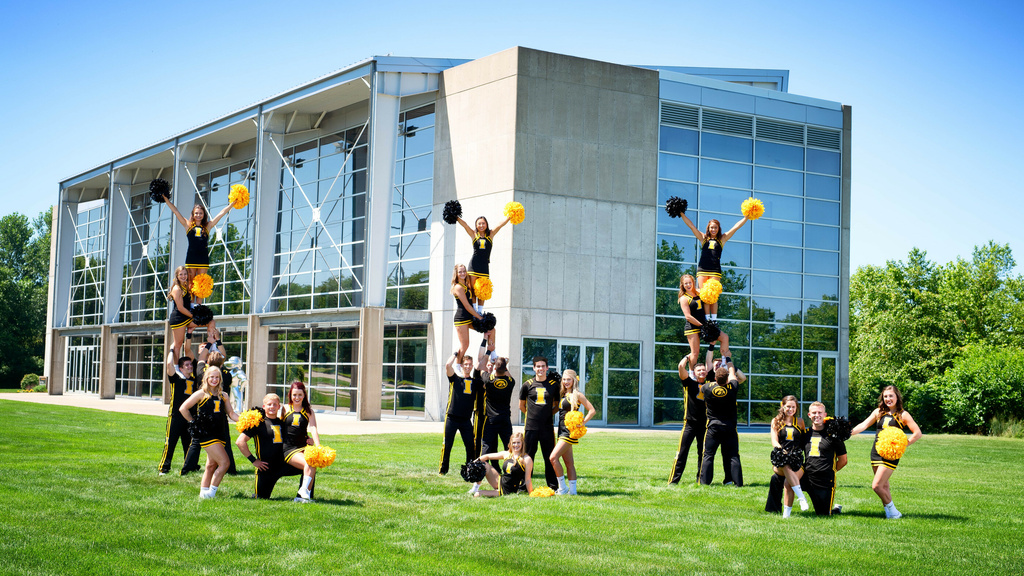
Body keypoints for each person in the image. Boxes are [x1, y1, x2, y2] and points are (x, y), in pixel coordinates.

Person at [850, 385, 923, 519]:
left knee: (877, 486)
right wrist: (849, 433)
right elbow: (864, 425)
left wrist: (902, 444)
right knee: (884, 485)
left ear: (897, 397)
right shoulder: (878, 412)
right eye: (885, 396)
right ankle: (889, 514)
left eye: (891, 396)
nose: (888, 399)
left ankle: (894, 512)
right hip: (876, 452)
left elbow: (917, 433)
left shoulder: (903, 414)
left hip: (891, 454)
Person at [235, 393, 314, 500]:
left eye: (275, 404)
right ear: (264, 406)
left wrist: (309, 439)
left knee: (310, 468)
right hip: (265, 467)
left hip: (283, 464)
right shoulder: (257, 423)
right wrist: (254, 461)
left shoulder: (283, 422)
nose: (272, 407)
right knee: (261, 498)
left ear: (279, 406)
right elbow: (240, 442)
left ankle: (303, 497)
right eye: (269, 404)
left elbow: (296, 435)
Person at [179, 366, 238, 499]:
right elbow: (183, 408)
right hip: (207, 434)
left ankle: (203, 493)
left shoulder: (223, 395)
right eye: (211, 377)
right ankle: (211, 493)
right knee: (225, 463)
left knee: (211, 465)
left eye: (217, 377)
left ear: (220, 379)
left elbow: (231, 414)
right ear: (206, 378)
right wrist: (193, 422)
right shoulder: (201, 394)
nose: (214, 380)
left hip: (220, 433)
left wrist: (246, 420)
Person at [677, 213, 749, 320]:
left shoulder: (722, 239)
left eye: (715, 227)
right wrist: (681, 213)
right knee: (705, 296)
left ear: (718, 228)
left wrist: (746, 217)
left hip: (715, 270)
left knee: (714, 296)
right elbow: (691, 226)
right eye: (711, 227)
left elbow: (736, 227)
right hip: (702, 270)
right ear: (708, 228)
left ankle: (714, 320)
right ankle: (707, 319)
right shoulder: (703, 238)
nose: (713, 229)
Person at [668, 349, 714, 484]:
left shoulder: (710, 385)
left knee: (703, 454)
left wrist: (711, 347)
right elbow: (680, 367)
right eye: (699, 370)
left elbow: (710, 363)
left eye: (703, 370)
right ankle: (673, 481)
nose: (702, 372)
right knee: (682, 453)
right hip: (689, 424)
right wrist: (687, 357)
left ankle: (701, 481)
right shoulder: (689, 383)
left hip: (705, 425)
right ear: (694, 373)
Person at [550, 369, 597, 495]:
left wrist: (582, 422)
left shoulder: (578, 395)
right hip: (561, 431)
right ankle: (573, 491)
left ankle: (562, 488)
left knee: (553, 458)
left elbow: (592, 410)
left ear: (574, 380)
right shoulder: (563, 394)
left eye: (568, 379)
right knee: (569, 463)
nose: (566, 382)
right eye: (564, 379)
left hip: (569, 432)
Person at [699, 358, 745, 486]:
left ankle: (705, 482)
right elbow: (733, 374)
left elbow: (703, 389)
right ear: (727, 379)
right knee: (733, 455)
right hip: (729, 427)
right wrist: (728, 360)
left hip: (713, 427)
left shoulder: (707, 388)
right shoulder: (733, 387)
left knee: (708, 455)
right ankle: (738, 483)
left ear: (715, 378)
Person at [165, 199, 233, 283]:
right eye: (196, 213)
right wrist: (165, 199)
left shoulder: (208, 226)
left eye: (201, 213)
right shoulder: (188, 225)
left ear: (204, 215)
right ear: (193, 214)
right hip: (191, 258)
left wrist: (232, 204)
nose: (198, 215)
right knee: (190, 284)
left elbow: (221, 213)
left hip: (203, 258)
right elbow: (175, 211)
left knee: (201, 283)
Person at [519, 356, 561, 491]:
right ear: (534, 368)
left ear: (547, 368)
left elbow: (557, 405)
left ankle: (553, 485)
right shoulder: (527, 384)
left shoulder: (553, 385)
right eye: (538, 366)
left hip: (547, 427)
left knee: (549, 457)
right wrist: (532, 416)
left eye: (543, 366)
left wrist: (547, 415)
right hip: (531, 427)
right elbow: (521, 406)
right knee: (528, 456)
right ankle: (525, 485)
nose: (540, 369)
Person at [439, 352, 482, 476]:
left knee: (470, 446)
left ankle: (469, 471)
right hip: (451, 417)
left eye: (470, 364)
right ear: (462, 365)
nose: (468, 366)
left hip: (465, 420)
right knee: (447, 445)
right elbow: (448, 365)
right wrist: (455, 354)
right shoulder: (455, 379)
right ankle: (443, 471)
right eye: (466, 364)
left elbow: (482, 368)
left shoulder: (475, 382)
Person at [801, 402, 847, 516]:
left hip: (824, 480)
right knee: (780, 478)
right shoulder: (805, 434)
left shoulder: (833, 435)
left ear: (825, 414)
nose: (817, 415)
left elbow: (843, 460)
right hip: (807, 476)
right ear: (809, 415)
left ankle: (836, 509)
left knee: (823, 515)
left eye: (820, 412)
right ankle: (780, 510)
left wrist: (830, 470)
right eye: (814, 413)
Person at [167, 265, 218, 366]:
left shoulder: (186, 286)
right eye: (181, 274)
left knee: (211, 322)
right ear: (177, 276)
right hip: (179, 319)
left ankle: (213, 346)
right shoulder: (177, 288)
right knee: (178, 345)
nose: (183, 276)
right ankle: (176, 368)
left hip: (187, 317)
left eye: (185, 274)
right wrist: (194, 316)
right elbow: (180, 308)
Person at [678, 274, 731, 370]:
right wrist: (702, 326)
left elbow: (712, 300)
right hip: (693, 327)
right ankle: (692, 373)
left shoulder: (699, 292)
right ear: (682, 285)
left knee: (724, 337)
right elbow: (688, 317)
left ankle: (724, 363)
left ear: (693, 282)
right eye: (686, 283)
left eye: (690, 282)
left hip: (705, 325)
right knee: (695, 353)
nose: (688, 285)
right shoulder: (683, 298)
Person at [280, 381, 322, 502]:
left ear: (304, 395)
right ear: (290, 395)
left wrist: (318, 445)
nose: (297, 397)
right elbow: (280, 427)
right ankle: (303, 492)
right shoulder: (285, 408)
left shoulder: (309, 411)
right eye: (294, 395)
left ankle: (304, 497)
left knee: (313, 462)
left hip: (303, 446)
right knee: (309, 462)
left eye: (300, 395)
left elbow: (313, 428)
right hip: (289, 448)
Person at [769, 395, 809, 516]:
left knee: (788, 482)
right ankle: (801, 497)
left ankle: (786, 516)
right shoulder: (776, 421)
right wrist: (782, 451)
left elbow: (804, 441)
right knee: (786, 464)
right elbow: (774, 440)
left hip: (796, 460)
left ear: (796, 408)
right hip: (781, 459)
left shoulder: (800, 422)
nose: (790, 409)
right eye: (788, 407)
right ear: (783, 406)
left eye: (793, 407)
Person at [478, 354, 516, 474]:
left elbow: (481, 368)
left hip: (491, 420)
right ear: (505, 368)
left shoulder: (489, 380)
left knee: (486, 445)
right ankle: (512, 469)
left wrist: (490, 358)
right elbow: (509, 375)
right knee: (509, 446)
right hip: (505, 419)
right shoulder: (510, 382)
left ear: (495, 368)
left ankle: (480, 470)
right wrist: (504, 365)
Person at [158, 353, 195, 475]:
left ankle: (188, 467)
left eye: (190, 364)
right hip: (175, 416)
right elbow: (169, 364)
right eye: (187, 365)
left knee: (188, 444)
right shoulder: (176, 378)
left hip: (189, 417)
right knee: (170, 443)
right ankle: (164, 468)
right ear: (181, 368)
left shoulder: (194, 380)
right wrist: (171, 350)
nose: (190, 366)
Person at [473, 432, 533, 497]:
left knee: (477, 494)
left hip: (509, 489)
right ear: (510, 443)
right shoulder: (507, 454)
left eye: (518, 442)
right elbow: (486, 456)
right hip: (501, 482)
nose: (516, 445)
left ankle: (495, 492)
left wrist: (531, 494)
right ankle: (475, 487)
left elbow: (528, 480)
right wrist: (472, 463)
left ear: (522, 443)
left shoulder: (526, 459)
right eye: (514, 443)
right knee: (483, 464)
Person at [451, 264, 483, 362]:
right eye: (460, 272)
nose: (462, 273)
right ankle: (457, 365)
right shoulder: (458, 287)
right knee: (464, 345)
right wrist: (479, 317)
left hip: (469, 317)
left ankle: (492, 355)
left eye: (464, 271)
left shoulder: (466, 285)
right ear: (456, 274)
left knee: (489, 330)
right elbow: (467, 306)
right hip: (462, 319)